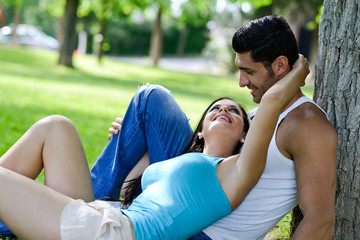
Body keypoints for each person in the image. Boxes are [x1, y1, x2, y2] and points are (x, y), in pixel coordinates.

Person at [0, 55, 307, 239]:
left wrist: (299, 70)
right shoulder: (174, 165)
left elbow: (271, 104)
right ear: (199, 131)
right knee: (56, 126)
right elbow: (125, 194)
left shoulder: (235, 172)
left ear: (245, 137)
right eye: (215, 109)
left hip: (110, 233)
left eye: (235, 112)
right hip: (102, 214)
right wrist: (124, 140)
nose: (223, 111)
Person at [91, 15, 337, 240]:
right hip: (188, 201)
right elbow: (208, 157)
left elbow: (320, 221)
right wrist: (141, 133)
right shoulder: (256, 114)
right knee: (150, 100)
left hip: (204, 232)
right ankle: (90, 205)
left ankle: (86, 212)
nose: (241, 82)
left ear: (281, 66)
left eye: (248, 71)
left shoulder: (307, 126)